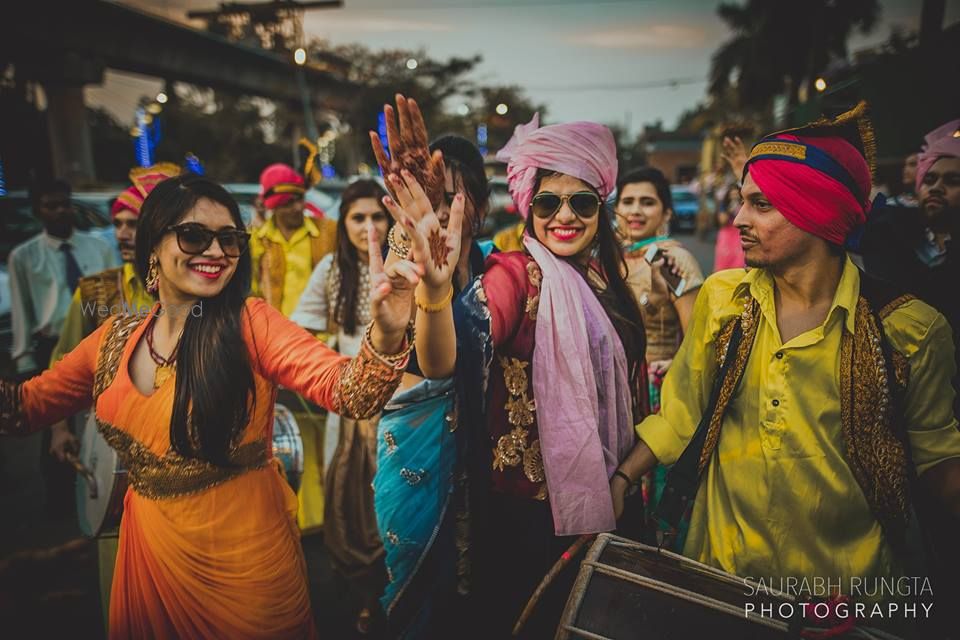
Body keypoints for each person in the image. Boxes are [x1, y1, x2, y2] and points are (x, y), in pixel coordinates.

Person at [0, 173, 420, 639]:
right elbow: (23, 409)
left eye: (229, 239)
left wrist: (386, 331)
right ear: (153, 247)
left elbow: (352, 392)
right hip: (149, 557)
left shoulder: (250, 323)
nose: (216, 252)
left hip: (244, 568)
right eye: (194, 236)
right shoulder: (112, 342)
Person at [616, 104, 960, 634]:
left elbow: (937, 460)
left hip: (845, 602)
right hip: (719, 578)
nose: (738, 220)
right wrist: (619, 480)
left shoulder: (910, 330)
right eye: (741, 201)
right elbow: (680, 413)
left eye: (760, 205)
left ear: (815, 212)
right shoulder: (724, 300)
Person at [389, 112, 650, 638]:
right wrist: (436, 296)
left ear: (601, 207)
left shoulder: (610, 285)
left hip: (613, 504)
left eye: (582, 202)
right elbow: (446, 359)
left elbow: (642, 402)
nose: (565, 217)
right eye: (549, 202)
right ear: (529, 206)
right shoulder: (514, 275)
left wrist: (623, 480)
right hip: (525, 527)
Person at [367, 95, 495, 638]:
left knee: (480, 595)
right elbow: (432, 362)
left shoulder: (503, 270)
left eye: (453, 194)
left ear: (482, 208)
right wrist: (423, 264)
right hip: (420, 456)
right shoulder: (406, 267)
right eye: (428, 195)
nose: (441, 209)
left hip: (486, 460)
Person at [290, 179, 393, 635]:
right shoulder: (332, 269)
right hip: (350, 407)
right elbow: (297, 331)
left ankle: (401, 596)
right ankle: (367, 598)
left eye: (377, 216)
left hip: (405, 406)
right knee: (352, 508)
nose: (369, 227)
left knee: (397, 508)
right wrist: (338, 365)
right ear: (343, 222)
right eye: (358, 218)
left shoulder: (404, 265)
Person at [614, 167, 703, 543]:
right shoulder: (612, 257)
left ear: (665, 213)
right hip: (621, 391)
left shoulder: (670, 260)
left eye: (647, 202)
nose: (635, 211)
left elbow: (698, 337)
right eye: (628, 201)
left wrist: (671, 374)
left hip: (661, 395)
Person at [250, 162, 339, 531]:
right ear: (270, 204)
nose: (293, 208)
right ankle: (300, 515)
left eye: (298, 200)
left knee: (327, 431)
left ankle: (331, 513)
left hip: (323, 345)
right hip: (275, 348)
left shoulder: (328, 232)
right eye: (285, 202)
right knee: (287, 431)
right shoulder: (256, 241)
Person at [8, 178, 117, 377]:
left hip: (100, 341)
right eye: (51, 206)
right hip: (54, 346)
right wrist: (25, 361)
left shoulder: (100, 247)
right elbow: (21, 311)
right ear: (37, 211)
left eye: (65, 204)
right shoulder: (24, 257)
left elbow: (118, 298)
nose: (60, 211)